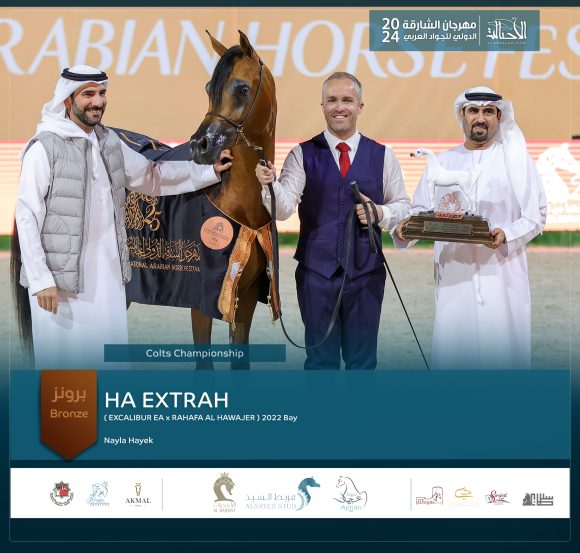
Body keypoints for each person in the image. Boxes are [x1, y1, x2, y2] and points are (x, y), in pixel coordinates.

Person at [15, 65, 233, 369]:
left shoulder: (109, 142)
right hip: (61, 285)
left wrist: (208, 172)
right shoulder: (44, 147)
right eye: (88, 94)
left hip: (108, 280)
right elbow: (27, 215)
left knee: (108, 366)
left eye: (102, 93)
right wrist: (40, 280)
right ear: (67, 100)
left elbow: (152, 176)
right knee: (64, 372)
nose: (98, 101)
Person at [256, 72, 410, 370]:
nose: (339, 107)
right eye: (332, 100)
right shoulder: (301, 154)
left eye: (347, 100)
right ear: (323, 105)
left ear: (360, 106)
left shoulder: (384, 155)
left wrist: (380, 213)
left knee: (362, 363)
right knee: (320, 363)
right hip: (316, 275)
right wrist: (269, 184)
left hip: (366, 275)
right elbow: (283, 209)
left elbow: (403, 206)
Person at [394, 86, 547, 370]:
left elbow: (537, 215)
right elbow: (420, 210)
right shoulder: (444, 161)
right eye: (474, 111)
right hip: (455, 277)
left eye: (488, 111)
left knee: (504, 359)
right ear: (462, 115)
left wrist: (507, 235)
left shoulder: (517, 162)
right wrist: (405, 230)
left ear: (499, 117)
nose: (480, 118)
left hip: (501, 275)